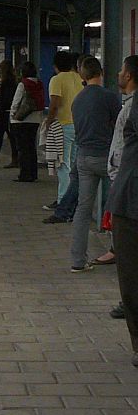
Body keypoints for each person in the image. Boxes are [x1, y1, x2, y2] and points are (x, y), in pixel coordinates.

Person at [68, 57, 121, 272]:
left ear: (83, 76)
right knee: (117, 205)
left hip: (84, 157)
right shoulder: (109, 97)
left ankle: (77, 261)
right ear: (101, 72)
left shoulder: (77, 100)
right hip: (107, 158)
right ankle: (117, 250)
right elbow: (120, 127)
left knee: (83, 209)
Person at [104, 57, 138, 367]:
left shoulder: (132, 107)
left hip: (130, 201)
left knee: (130, 275)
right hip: (128, 199)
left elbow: (117, 156)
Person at [97, 55, 138, 280]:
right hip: (125, 179)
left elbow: (125, 147)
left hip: (127, 181)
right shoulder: (128, 105)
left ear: (129, 75)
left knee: (128, 256)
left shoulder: (132, 107)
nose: (118, 74)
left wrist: (117, 172)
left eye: (122, 70)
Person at [44, 51, 82, 205]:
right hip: (78, 125)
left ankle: (62, 201)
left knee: (62, 164)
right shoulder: (79, 78)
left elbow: (55, 103)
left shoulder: (57, 79)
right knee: (72, 165)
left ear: (55, 66)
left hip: (63, 126)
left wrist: (48, 122)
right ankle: (72, 199)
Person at [10, 61, 45, 183]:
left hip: (21, 120)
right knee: (31, 147)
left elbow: (16, 101)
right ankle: (33, 173)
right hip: (35, 120)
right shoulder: (39, 84)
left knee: (23, 148)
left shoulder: (23, 84)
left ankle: (24, 174)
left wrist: (12, 115)